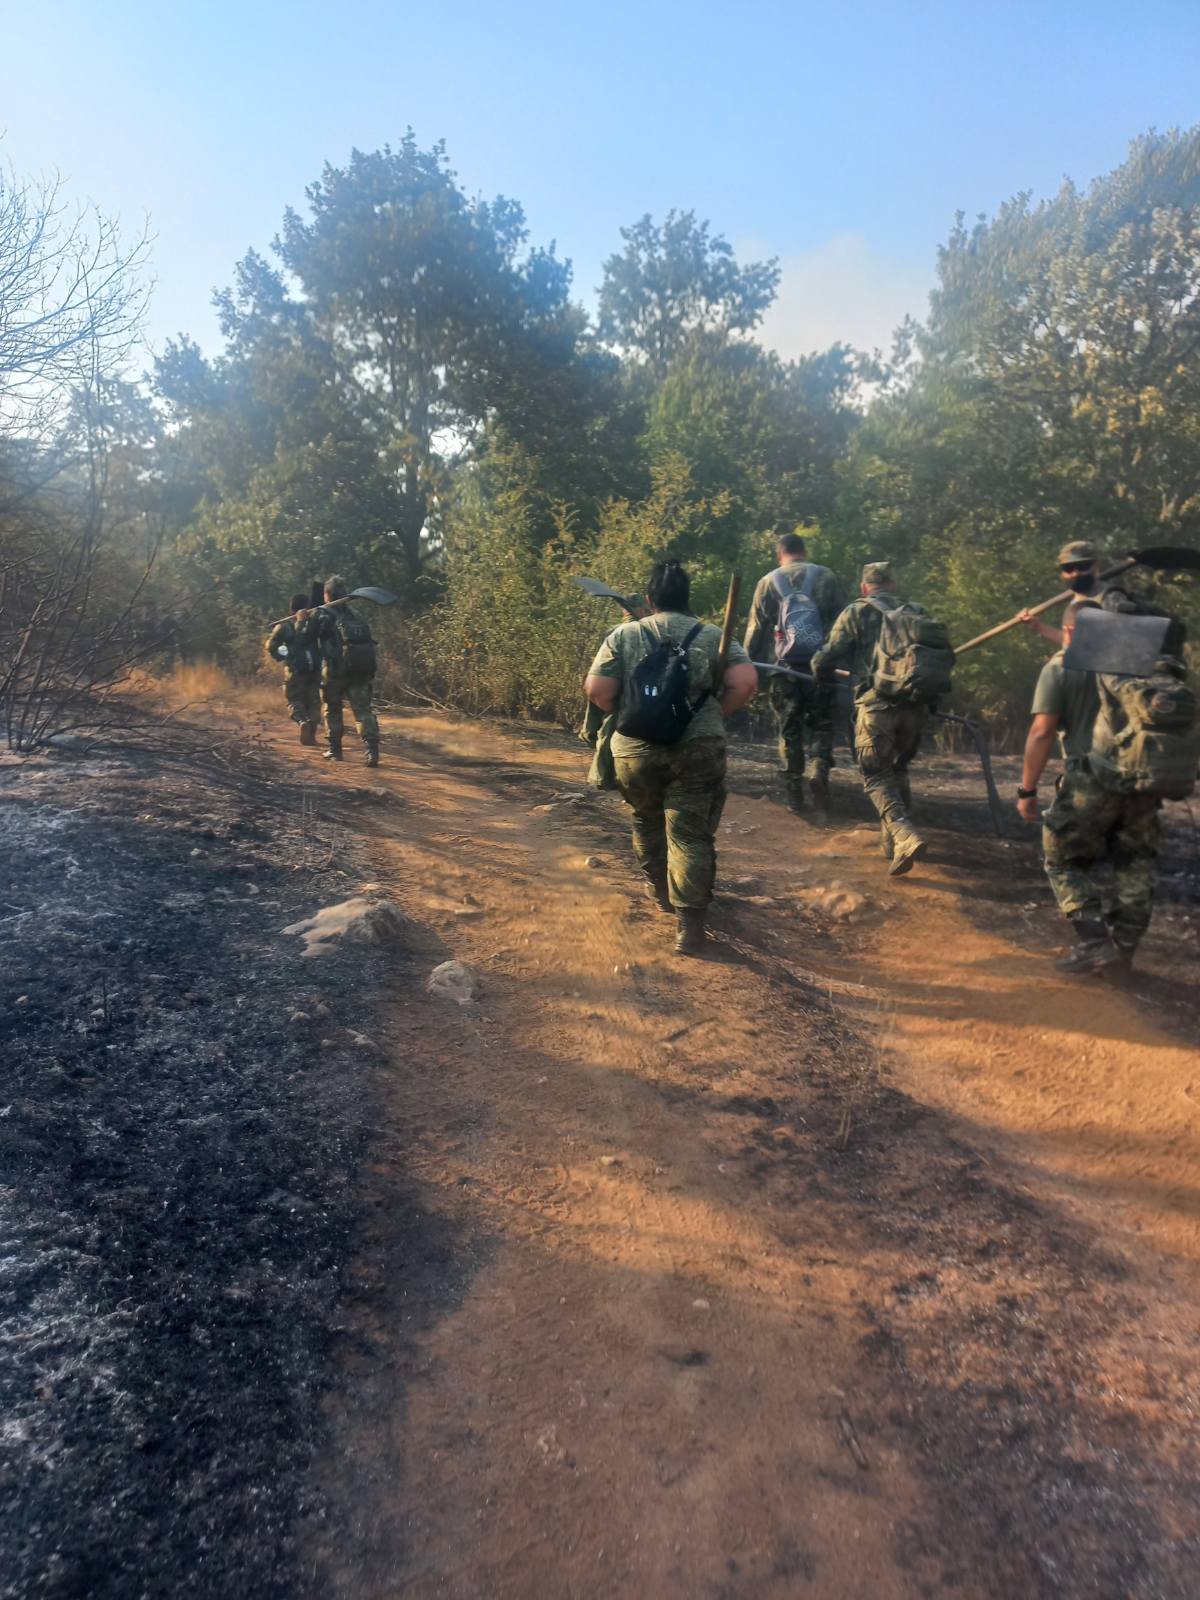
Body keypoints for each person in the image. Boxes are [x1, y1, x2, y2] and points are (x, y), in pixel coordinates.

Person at [584, 561, 758, 955]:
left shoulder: (624, 635)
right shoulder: (715, 635)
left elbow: (597, 690)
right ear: (687, 599)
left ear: (649, 599)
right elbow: (746, 683)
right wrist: (714, 715)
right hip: (698, 748)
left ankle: (660, 891)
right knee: (689, 834)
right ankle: (690, 925)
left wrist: (633, 713)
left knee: (646, 819)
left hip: (635, 751)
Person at [1018, 599, 1165, 974]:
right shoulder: (1136, 666)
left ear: (1068, 631)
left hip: (1090, 779)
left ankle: (1094, 940)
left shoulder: (1060, 667)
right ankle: (1125, 952)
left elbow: (1042, 731)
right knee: (1133, 865)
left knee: (1062, 858)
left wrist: (1027, 790)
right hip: (1143, 780)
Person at [810, 562, 935, 876]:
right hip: (914, 707)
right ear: (893, 585)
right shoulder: (917, 611)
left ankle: (904, 835)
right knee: (897, 769)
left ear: (865, 587)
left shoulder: (857, 611)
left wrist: (818, 671)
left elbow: (830, 652)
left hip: (876, 706)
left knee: (876, 776)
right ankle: (892, 847)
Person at [742, 530, 847, 816]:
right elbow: (843, 626)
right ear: (804, 551)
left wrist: (748, 672)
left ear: (780, 555)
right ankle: (819, 770)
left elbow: (755, 633)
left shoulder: (767, 583)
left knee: (789, 731)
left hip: (782, 670)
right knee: (822, 725)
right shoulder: (826, 577)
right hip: (822, 670)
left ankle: (794, 797)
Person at [313, 575, 381, 767]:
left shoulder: (322, 614)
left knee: (332, 708)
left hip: (334, 672)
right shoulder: (356, 614)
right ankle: (371, 751)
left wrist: (302, 620)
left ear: (327, 595)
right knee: (363, 711)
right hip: (359, 670)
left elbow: (308, 636)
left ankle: (335, 750)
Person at [1020, 540, 1113, 646]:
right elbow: (1071, 643)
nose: (1075, 573)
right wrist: (1038, 626)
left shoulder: (1110, 599)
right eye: (1068, 568)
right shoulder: (1077, 599)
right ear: (1062, 573)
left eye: (1083, 566)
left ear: (1095, 566)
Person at [266, 593, 322, 746]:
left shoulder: (284, 627)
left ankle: (302, 721)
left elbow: (271, 647)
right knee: (314, 701)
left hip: (295, 670)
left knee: (294, 700)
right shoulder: (313, 624)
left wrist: (284, 654)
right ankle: (311, 734)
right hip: (315, 668)